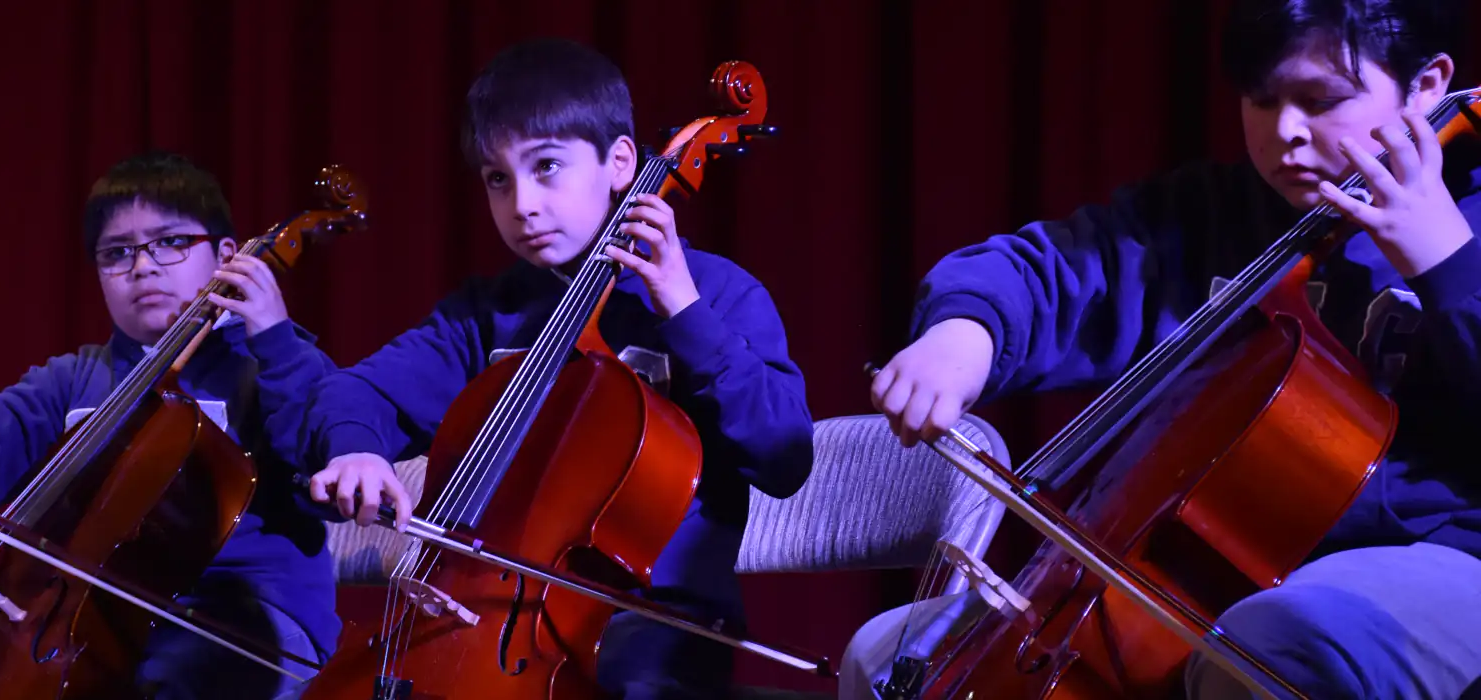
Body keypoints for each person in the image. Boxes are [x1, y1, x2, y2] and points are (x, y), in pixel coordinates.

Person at [854, 0, 1481, 697]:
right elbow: (1053, 270)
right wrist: (963, 332)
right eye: (1262, 99)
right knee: (887, 659)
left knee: (1276, 644)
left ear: (1426, 86)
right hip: (1201, 568)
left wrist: (1449, 264)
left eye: (1321, 99)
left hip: (1434, 555)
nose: (1287, 134)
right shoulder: (1207, 213)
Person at [290, 38, 815, 700]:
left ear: (621, 162)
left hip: (652, 630)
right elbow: (353, 390)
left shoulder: (716, 293)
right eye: (498, 179)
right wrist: (357, 449)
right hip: (479, 617)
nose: (523, 205)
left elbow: (784, 454)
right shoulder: (489, 315)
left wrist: (684, 312)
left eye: (547, 168)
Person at [0, 152, 341, 699]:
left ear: (228, 256)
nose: (143, 267)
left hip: (244, 618)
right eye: (118, 253)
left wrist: (274, 336)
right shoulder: (78, 377)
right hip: (95, 616)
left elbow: (328, 435)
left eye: (171, 242)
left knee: (170, 682)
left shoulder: (272, 365)